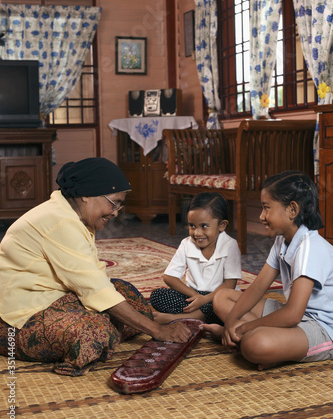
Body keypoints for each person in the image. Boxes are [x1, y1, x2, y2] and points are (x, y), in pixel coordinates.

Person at [0, 157, 191, 376]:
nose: (116, 212)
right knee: (96, 333)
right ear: (87, 195)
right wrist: (157, 331)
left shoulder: (72, 215)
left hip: (53, 297)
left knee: (127, 295)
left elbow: (98, 281)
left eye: (120, 205)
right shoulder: (59, 221)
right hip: (17, 315)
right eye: (114, 203)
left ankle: (134, 322)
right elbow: (94, 289)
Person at [203, 170, 333, 370]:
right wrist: (231, 323)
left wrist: (243, 327)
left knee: (255, 344)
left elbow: (292, 315)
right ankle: (246, 338)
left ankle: (261, 344)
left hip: (322, 327)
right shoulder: (283, 240)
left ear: (292, 210)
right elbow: (257, 288)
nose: (261, 216)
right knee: (222, 298)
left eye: (266, 208)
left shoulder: (310, 247)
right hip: (298, 317)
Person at [150, 192, 242, 325]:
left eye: (204, 226)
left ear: (222, 225)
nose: (197, 233)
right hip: (192, 296)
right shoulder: (186, 244)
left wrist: (205, 299)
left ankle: (179, 319)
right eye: (192, 226)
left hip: (220, 296)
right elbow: (169, 277)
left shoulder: (230, 245)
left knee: (230, 306)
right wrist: (196, 296)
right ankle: (200, 316)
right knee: (157, 296)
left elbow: (230, 284)